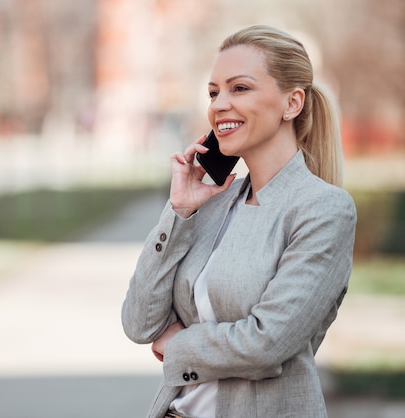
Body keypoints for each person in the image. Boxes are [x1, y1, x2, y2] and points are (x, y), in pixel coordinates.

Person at [121, 25, 357, 418]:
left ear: (292, 103)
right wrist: (179, 212)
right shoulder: (212, 203)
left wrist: (177, 345)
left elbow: (266, 343)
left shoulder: (323, 210)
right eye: (214, 92)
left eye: (239, 88)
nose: (218, 105)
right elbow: (139, 322)